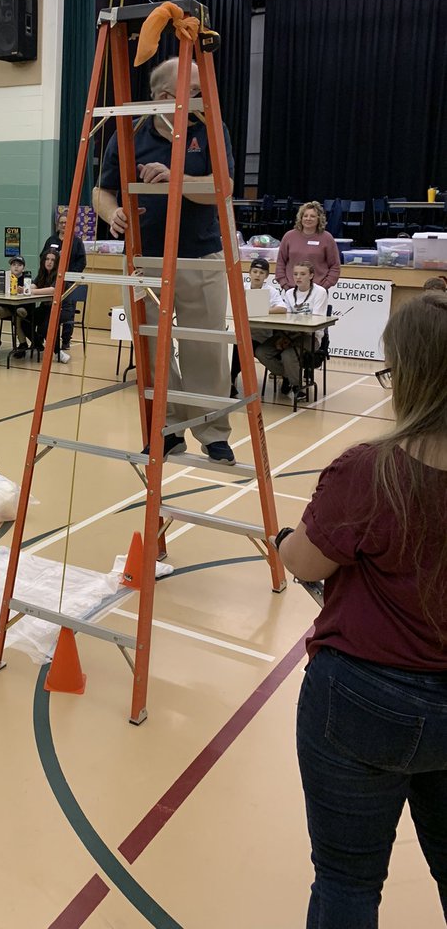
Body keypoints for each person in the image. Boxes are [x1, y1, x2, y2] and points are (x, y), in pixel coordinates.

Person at [276, 292, 447, 927]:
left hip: (362, 696)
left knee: (347, 879)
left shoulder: (371, 471)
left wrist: (287, 540)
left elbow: (305, 563)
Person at [93, 55, 236, 465]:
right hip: (143, 262)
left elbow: (219, 188)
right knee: (153, 349)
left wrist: (177, 177)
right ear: (165, 96)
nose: (203, 98)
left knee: (203, 348)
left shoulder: (211, 130)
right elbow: (102, 192)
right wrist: (112, 214)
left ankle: (213, 432)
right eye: (194, 92)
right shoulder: (129, 134)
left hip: (200, 258)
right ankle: (168, 429)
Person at [255, 261, 327, 401]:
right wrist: (285, 337)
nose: (298, 277)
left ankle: (297, 387)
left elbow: (316, 320)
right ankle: (289, 375)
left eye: (302, 274)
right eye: (295, 274)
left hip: (310, 336)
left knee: (289, 354)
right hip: (288, 334)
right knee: (261, 352)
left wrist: (292, 336)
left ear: (311, 275)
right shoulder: (288, 293)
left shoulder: (320, 292)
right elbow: (285, 317)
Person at [230, 257, 285, 397]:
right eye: (255, 271)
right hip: (242, 334)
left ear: (266, 276)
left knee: (244, 349)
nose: (257, 275)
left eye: (261, 273)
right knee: (234, 349)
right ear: (249, 273)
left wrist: (262, 310)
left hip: (261, 337)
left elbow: (282, 308)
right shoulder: (241, 288)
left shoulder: (271, 291)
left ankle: (287, 377)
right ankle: (229, 382)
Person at [276, 201, 341, 291]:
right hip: (291, 289)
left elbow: (335, 266)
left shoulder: (327, 238)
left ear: (319, 219)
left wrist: (324, 286)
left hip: (318, 291)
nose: (308, 219)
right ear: (300, 218)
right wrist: (284, 284)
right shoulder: (289, 236)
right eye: (305, 216)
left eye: (312, 216)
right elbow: (280, 262)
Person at [30, 248, 74, 364]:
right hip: (47, 307)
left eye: (52, 260)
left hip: (63, 308)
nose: (49, 262)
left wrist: (33, 292)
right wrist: (26, 288)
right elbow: (34, 284)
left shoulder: (60, 274)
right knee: (25, 320)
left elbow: (53, 290)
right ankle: (39, 345)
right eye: (47, 259)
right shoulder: (42, 272)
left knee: (45, 327)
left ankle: (57, 352)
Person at [0, 256, 31, 359]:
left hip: (21, 307)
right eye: (13, 265)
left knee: (19, 315)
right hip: (7, 307)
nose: (16, 267)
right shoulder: (4, 278)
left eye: (19, 265)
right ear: (10, 267)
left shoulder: (27, 279)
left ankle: (22, 343)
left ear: (23, 268)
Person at [41, 211, 87, 276]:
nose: (63, 225)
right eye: (61, 223)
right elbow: (43, 257)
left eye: (66, 223)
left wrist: (71, 274)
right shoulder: (51, 240)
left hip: (68, 277)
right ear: (58, 224)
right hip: (50, 276)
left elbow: (82, 262)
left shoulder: (77, 242)